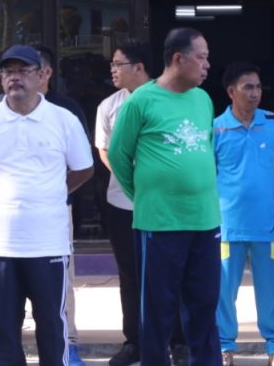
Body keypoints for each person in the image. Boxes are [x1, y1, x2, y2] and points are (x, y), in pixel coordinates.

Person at [0, 44, 94, 366]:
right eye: (8, 72)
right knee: (4, 328)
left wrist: (51, 192)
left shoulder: (63, 120)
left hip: (47, 243)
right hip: (0, 245)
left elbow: (83, 169)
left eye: (23, 71)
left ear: (40, 76)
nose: (15, 78)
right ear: (1, 78)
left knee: (51, 325)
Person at [108, 28, 222, 366]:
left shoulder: (203, 100)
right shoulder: (141, 101)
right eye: (201, 57)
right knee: (158, 308)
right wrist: (145, 196)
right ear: (178, 58)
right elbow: (118, 156)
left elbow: (207, 149)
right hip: (159, 223)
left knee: (204, 305)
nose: (207, 65)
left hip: (204, 220)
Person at [214, 61, 274, 366]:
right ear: (231, 92)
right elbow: (209, 172)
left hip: (267, 225)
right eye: (248, 87)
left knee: (271, 290)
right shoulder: (215, 128)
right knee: (222, 291)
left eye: (258, 87)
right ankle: (224, 347)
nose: (255, 93)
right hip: (227, 225)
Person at [94, 39, 151, 366]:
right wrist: (128, 180)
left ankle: (175, 339)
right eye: (112, 65)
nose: (113, 70)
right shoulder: (109, 106)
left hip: (161, 204)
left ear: (139, 67)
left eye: (119, 64)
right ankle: (134, 342)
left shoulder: (164, 98)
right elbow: (104, 149)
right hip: (121, 202)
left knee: (166, 273)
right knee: (129, 275)